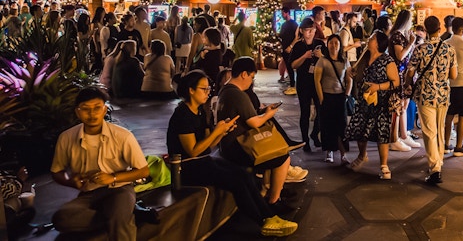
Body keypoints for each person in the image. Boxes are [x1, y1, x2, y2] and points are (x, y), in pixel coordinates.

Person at [167, 70, 298, 237]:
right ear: (191, 90)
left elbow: (209, 144)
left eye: (209, 89)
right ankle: (263, 220)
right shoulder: (182, 115)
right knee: (236, 180)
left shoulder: (200, 111)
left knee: (243, 173)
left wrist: (222, 131)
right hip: (187, 168)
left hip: (203, 160)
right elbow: (192, 151)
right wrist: (217, 132)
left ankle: (269, 216)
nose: (208, 93)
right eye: (204, 89)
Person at [50, 86, 149, 241]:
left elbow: (143, 171)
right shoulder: (67, 138)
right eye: (85, 109)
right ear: (77, 112)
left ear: (105, 110)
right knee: (61, 219)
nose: (92, 114)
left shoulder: (123, 136)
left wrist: (113, 178)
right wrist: (70, 181)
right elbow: (56, 171)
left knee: (118, 214)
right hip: (88, 193)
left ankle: (120, 216)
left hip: (120, 189)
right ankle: (126, 215)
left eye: (97, 108)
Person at [217, 57, 292, 210]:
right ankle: (274, 201)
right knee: (283, 157)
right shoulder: (238, 94)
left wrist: (262, 112)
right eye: (251, 77)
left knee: (274, 153)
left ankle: (267, 191)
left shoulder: (225, 90)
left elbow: (248, 116)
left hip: (228, 145)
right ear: (244, 74)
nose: (251, 81)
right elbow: (254, 122)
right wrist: (269, 114)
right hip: (239, 148)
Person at [406, 16, 457, 185]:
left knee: (429, 131)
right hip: (443, 94)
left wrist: (408, 83)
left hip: (425, 94)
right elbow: (453, 75)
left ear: (426, 30)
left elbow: (410, 72)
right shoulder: (449, 49)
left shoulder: (419, 49)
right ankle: (438, 162)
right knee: (440, 130)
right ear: (440, 28)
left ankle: (435, 168)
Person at [345, 29, 400, 180]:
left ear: (378, 43)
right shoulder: (365, 56)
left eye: (372, 38)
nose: (369, 40)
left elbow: (396, 82)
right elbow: (354, 70)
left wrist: (378, 87)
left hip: (380, 103)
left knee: (381, 133)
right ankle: (362, 155)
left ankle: (384, 165)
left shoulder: (387, 60)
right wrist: (350, 71)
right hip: (363, 101)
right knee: (360, 129)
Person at [314, 34, 352, 164]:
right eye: (331, 43)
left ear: (340, 45)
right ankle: (329, 151)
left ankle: (343, 154)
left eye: (336, 43)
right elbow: (317, 81)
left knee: (342, 125)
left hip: (340, 96)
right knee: (327, 125)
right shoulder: (322, 61)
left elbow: (349, 80)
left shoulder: (344, 61)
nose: (333, 46)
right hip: (327, 96)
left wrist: (346, 95)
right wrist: (321, 98)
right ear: (327, 44)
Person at [290, 17, 324, 151]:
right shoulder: (298, 46)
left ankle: (315, 134)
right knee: (305, 112)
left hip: (318, 83)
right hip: (303, 82)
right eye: (306, 30)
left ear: (315, 30)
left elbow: (328, 62)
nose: (309, 33)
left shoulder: (320, 44)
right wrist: (304, 56)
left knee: (321, 110)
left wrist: (321, 56)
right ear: (302, 31)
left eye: (312, 30)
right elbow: (293, 65)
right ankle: (305, 141)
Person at [388, 9, 419, 151]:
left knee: (404, 105)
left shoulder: (402, 35)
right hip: (398, 74)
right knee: (398, 106)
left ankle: (404, 134)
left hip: (405, 74)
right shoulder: (396, 36)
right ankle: (395, 138)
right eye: (411, 19)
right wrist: (411, 43)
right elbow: (400, 56)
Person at [445, 17, 463, 155]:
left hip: (449, 83)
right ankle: (458, 146)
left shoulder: (445, 43)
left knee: (449, 115)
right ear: (462, 29)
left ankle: (446, 144)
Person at [278, 7, 298, 96]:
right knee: (288, 66)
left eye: (283, 13)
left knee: (291, 66)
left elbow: (297, 37)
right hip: (285, 48)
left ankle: (293, 84)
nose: (282, 15)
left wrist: (291, 46)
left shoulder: (294, 24)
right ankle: (292, 83)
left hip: (291, 49)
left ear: (287, 13)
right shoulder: (284, 24)